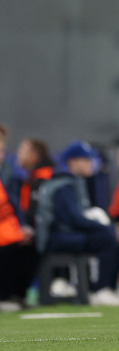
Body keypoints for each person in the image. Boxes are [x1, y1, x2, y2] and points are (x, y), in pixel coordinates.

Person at [43, 141, 119, 306]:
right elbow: (74, 219)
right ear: (72, 162)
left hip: (68, 233)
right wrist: (105, 227)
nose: (90, 163)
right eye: (85, 159)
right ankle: (101, 290)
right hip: (58, 236)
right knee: (108, 236)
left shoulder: (74, 181)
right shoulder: (63, 184)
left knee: (110, 235)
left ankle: (108, 288)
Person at [0, 126, 38, 311]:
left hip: (6, 228)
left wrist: (23, 227)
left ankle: (16, 295)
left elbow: (13, 202)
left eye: (2, 151)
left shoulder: (6, 169)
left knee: (30, 245)